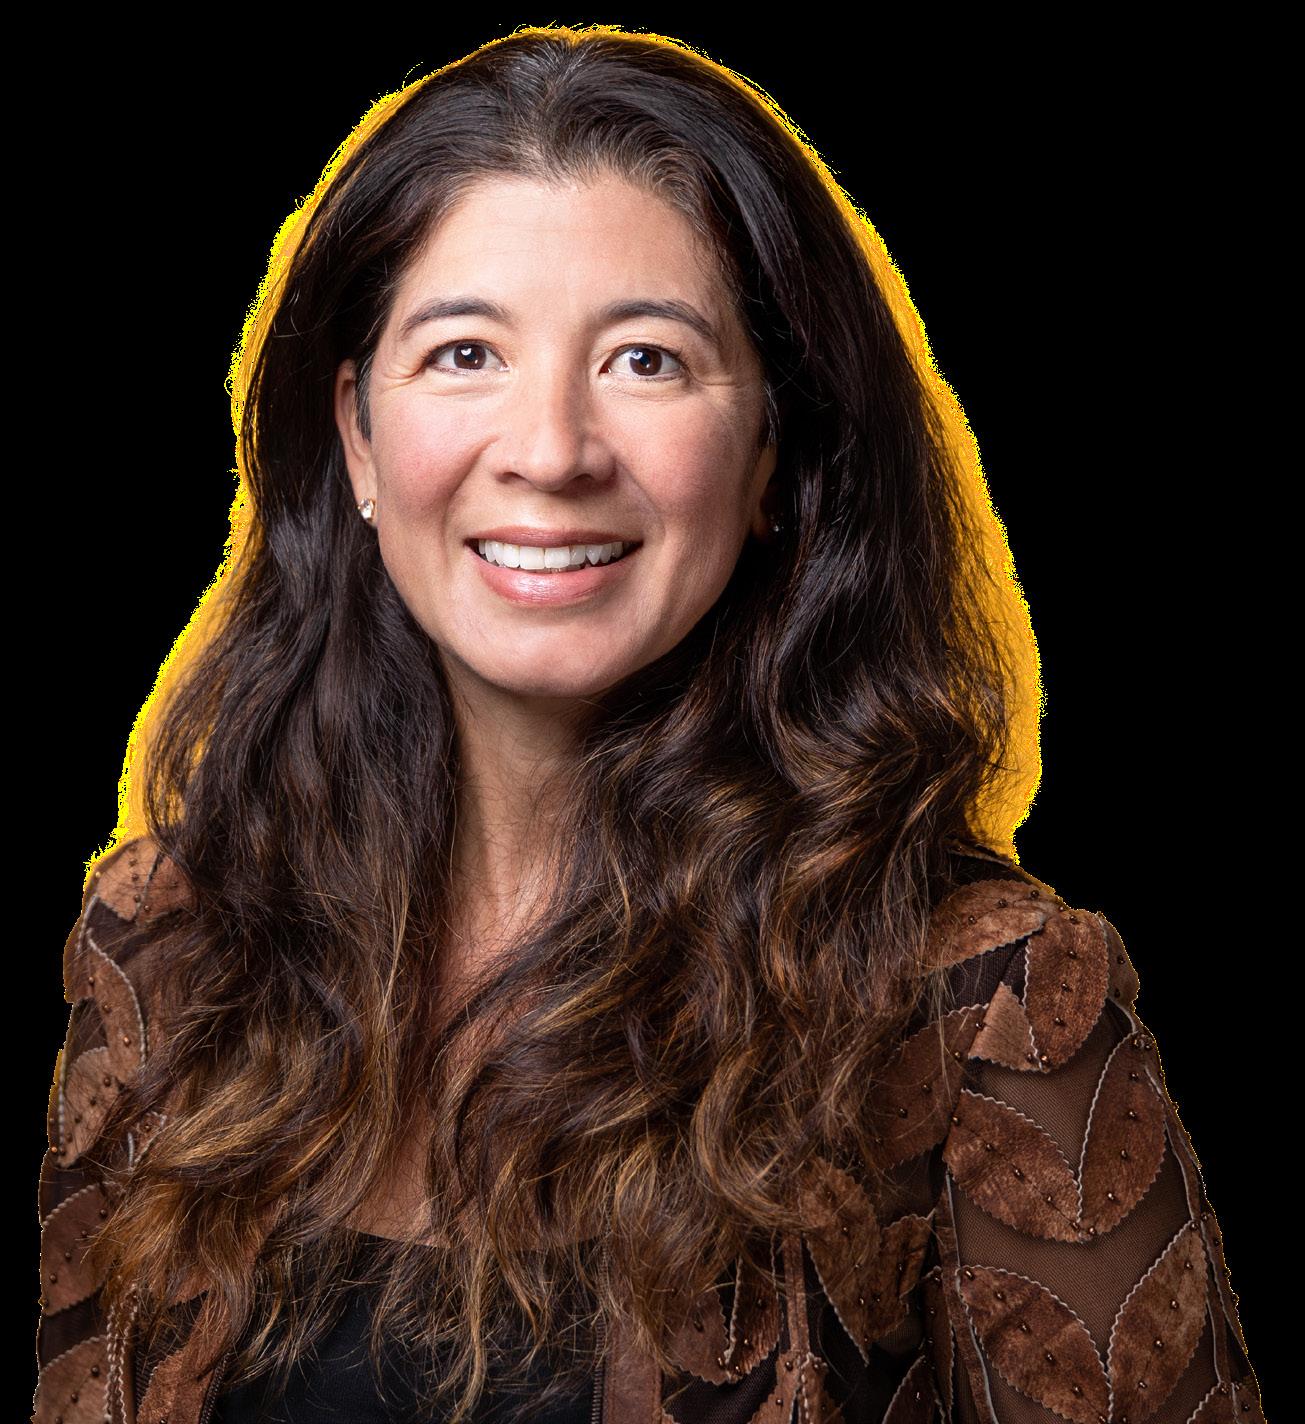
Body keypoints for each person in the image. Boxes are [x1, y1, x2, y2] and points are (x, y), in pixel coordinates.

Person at [33, 25, 1262, 1424]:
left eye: (646, 360)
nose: (550, 450)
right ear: (360, 438)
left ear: (772, 453)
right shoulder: (170, 949)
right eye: (464, 353)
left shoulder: (986, 1004)